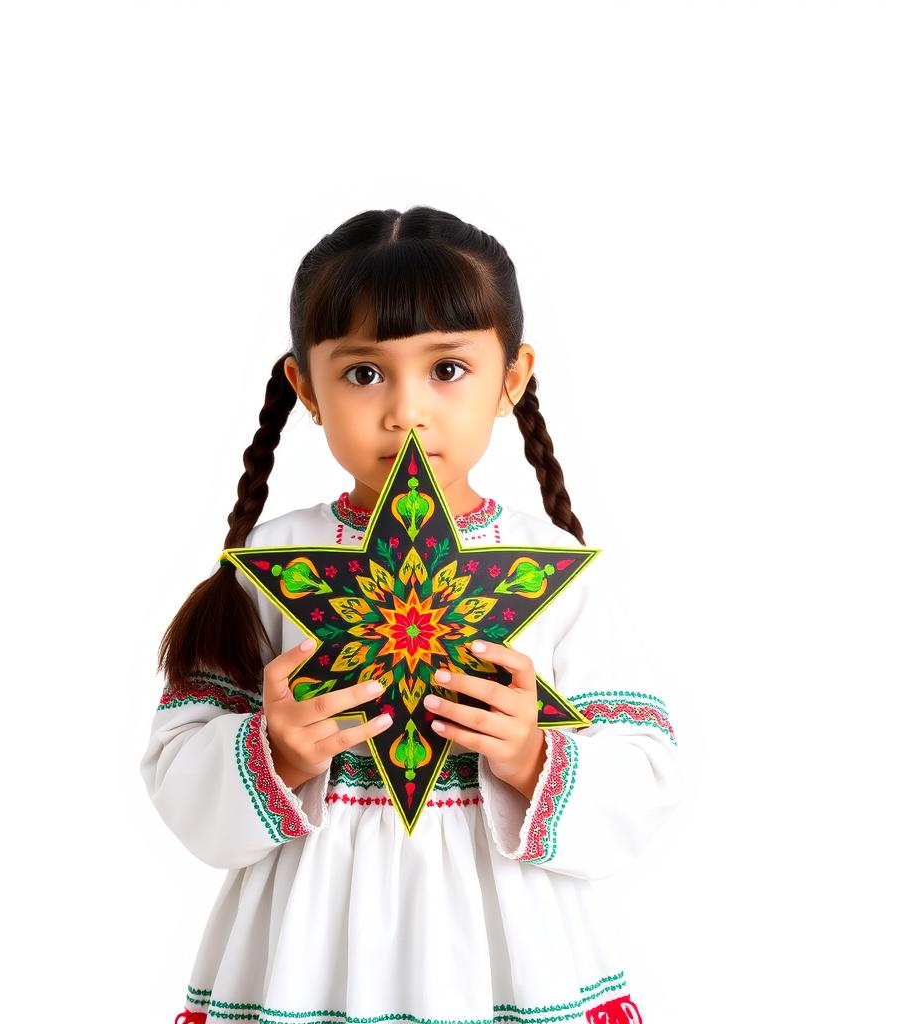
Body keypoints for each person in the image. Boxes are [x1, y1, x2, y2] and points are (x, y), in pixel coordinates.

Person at [140, 206, 682, 1024]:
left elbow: (644, 768)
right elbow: (178, 764)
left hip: (509, 947)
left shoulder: (555, 570)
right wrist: (272, 753)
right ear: (305, 389)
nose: (405, 411)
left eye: (447, 369)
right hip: (306, 948)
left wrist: (535, 755)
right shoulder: (271, 565)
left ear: (512, 376)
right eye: (364, 373)